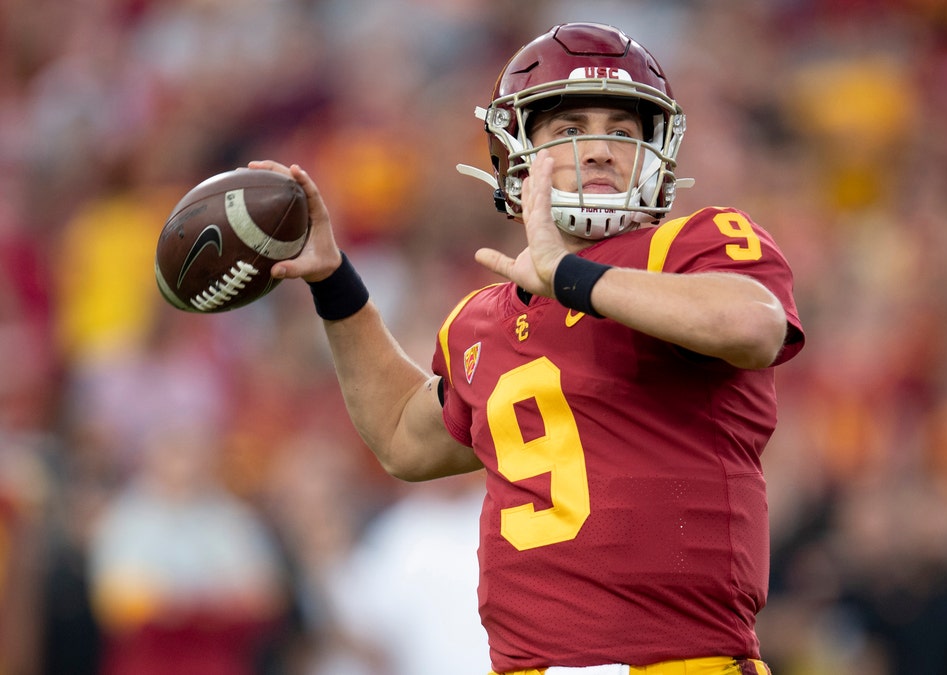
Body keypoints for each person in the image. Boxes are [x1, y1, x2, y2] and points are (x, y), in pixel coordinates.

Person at [250, 21, 804, 675]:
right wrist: (333, 279)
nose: (599, 151)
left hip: (680, 660)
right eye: (570, 131)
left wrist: (573, 279)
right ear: (517, 153)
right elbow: (403, 434)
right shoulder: (481, 319)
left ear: (657, 154)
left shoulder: (692, 245)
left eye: (623, 133)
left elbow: (754, 324)